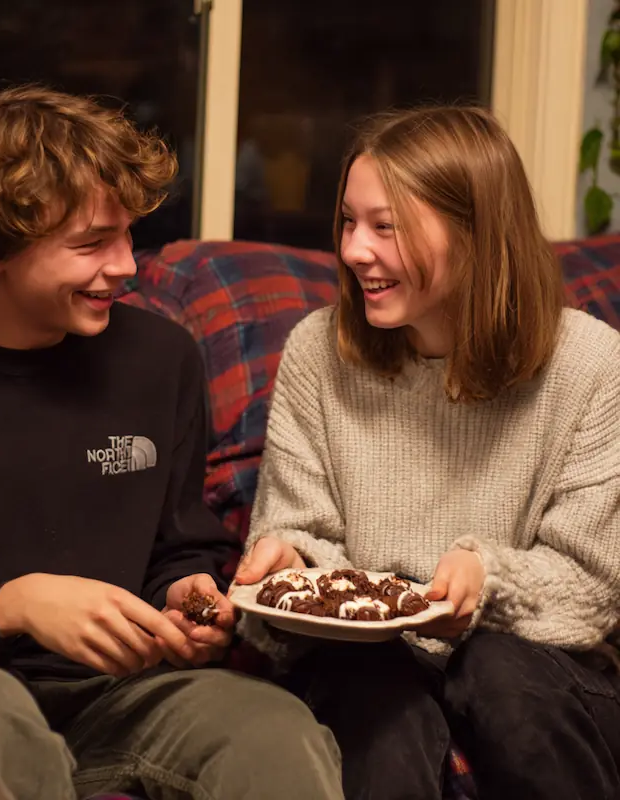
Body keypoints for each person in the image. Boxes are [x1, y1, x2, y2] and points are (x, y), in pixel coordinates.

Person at [0, 85, 344, 800]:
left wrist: (187, 596)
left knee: (271, 730)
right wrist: (12, 606)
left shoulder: (160, 359)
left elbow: (178, 544)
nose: (127, 266)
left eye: (129, 234)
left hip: (122, 695)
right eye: (92, 243)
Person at [234, 105, 620, 800]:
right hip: (366, 656)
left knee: (501, 671)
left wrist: (485, 577)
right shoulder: (318, 353)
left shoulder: (592, 365)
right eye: (349, 223)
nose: (354, 250)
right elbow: (297, 531)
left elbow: (592, 585)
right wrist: (286, 562)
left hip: (534, 657)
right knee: (373, 695)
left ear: (478, 234)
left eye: (386, 227)